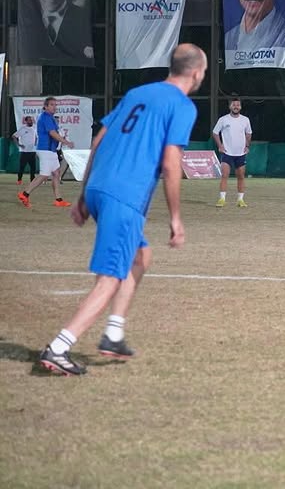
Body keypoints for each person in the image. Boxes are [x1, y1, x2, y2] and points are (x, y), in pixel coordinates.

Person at [37, 44, 205, 376]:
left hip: (100, 187)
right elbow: (171, 164)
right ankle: (58, 348)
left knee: (141, 256)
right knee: (111, 278)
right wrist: (175, 218)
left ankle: (113, 334)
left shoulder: (138, 93)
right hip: (124, 196)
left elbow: (98, 139)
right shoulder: (182, 105)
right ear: (197, 73)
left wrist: (84, 194)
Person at [17, 97, 76, 208]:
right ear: (46, 106)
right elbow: (52, 133)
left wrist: (62, 141)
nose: (55, 107)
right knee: (44, 175)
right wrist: (66, 142)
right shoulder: (45, 117)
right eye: (52, 105)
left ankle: (58, 200)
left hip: (50, 150)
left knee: (56, 173)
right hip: (45, 150)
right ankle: (24, 194)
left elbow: (55, 133)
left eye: (55, 105)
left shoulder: (50, 117)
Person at [213, 97, 253, 207]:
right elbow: (215, 133)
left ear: (240, 107)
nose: (236, 107)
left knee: (241, 176)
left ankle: (240, 200)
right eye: (234, 105)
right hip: (227, 152)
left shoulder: (245, 120)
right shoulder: (223, 119)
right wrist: (220, 146)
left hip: (240, 153)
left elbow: (249, 133)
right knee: (224, 175)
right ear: (230, 106)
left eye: (238, 105)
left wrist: (247, 146)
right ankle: (222, 199)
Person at [13, 115, 38, 185]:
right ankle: (19, 180)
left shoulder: (34, 128)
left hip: (32, 151)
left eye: (31, 120)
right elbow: (14, 136)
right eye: (29, 120)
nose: (31, 121)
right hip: (25, 152)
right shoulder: (23, 129)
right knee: (22, 167)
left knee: (33, 168)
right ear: (26, 121)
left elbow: (36, 137)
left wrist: (35, 144)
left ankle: (32, 180)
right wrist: (19, 145)